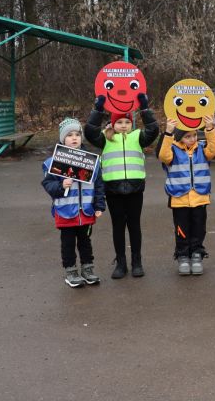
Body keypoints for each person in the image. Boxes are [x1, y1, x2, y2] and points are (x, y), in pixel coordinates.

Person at [84, 93, 159, 278]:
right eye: (119, 123)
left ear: (131, 124)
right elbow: (89, 130)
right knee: (118, 227)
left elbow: (153, 129)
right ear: (112, 124)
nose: (123, 126)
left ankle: (137, 262)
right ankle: (120, 263)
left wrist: (144, 107)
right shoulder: (105, 138)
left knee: (134, 226)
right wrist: (98, 109)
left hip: (135, 189)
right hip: (113, 189)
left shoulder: (138, 137)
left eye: (126, 122)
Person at [42, 118, 106, 288]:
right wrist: (61, 184)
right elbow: (48, 184)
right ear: (63, 139)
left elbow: (98, 185)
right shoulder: (54, 162)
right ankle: (70, 271)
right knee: (68, 243)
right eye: (69, 135)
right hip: (65, 211)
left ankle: (87, 269)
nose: (74, 138)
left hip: (85, 211)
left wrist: (99, 205)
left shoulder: (92, 162)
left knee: (85, 242)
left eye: (77, 134)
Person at [157, 117, 215, 275]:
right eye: (187, 136)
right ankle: (183, 255)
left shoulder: (202, 148)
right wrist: (168, 132)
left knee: (199, 228)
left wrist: (210, 128)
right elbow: (163, 155)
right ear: (179, 138)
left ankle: (197, 254)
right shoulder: (172, 150)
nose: (192, 139)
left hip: (200, 197)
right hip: (179, 198)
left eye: (194, 135)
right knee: (182, 229)